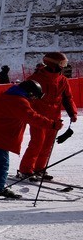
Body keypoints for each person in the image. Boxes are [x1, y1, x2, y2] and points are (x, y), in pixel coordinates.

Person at [17, 52, 76, 180]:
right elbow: (25, 98)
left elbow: (67, 98)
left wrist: (72, 113)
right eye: (62, 63)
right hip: (38, 117)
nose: (63, 66)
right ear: (53, 64)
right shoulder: (35, 79)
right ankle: (26, 169)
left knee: (48, 144)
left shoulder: (63, 80)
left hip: (54, 117)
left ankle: (40, 168)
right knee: (37, 142)